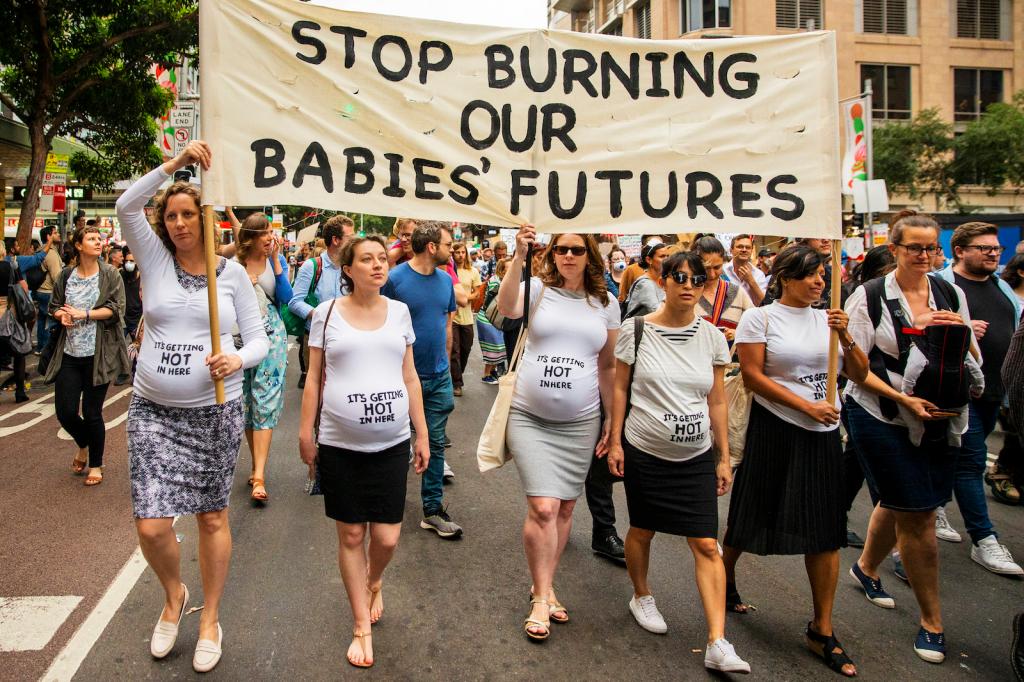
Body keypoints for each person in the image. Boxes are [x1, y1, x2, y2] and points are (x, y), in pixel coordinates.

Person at [115, 141, 269, 673]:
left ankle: (209, 619)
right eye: (171, 215)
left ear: (204, 218)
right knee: (153, 525)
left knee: (210, 517)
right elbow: (123, 207)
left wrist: (235, 360)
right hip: (153, 411)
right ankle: (174, 594)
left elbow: (260, 342)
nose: (179, 223)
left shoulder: (230, 277)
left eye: (188, 214)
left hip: (213, 413)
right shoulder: (153, 258)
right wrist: (174, 166)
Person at [723, 245, 868, 677]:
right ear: (785, 277)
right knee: (752, 512)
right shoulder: (761, 317)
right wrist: (806, 407)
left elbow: (858, 374)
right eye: (810, 275)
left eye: (823, 274)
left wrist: (847, 337)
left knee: (825, 529)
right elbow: (752, 376)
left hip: (822, 436)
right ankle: (724, 575)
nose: (820, 282)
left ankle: (821, 628)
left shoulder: (831, 320)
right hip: (775, 429)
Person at [607, 250, 750, 673]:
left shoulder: (711, 337)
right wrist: (614, 441)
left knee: (707, 543)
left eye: (697, 279)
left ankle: (717, 642)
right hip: (646, 450)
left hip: (695, 457)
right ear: (663, 281)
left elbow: (717, 400)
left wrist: (723, 457)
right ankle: (641, 595)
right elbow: (620, 389)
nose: (688, 286)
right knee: (642, 529)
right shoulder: (636, 330)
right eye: (680, 277)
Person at [843, 211, 976, 665]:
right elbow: (855, 370)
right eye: (914, 247)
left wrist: (956, 329)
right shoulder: (870, 296)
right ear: (894, 248)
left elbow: (969, 352)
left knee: (903, 501)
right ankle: (932, 622)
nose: (924, 255)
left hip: (941, 415)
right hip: (880, 414)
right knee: (919, 515)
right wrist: (905, 399)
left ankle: (864, 567)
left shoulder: (949, 291)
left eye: (930, 247)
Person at [299, 235, 429, 669]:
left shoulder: (400, 312)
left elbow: (410, 377)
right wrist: (305, 432)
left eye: (381, 259)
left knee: (388, 537)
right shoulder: (326, 313)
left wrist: (423, 433)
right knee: (352, 534)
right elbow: (314, 378)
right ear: (347, 269)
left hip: (391, 443)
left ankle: (374, 580)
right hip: (339, 445)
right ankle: (361, 626)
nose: (377, 265)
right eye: (366, 259)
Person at [497, 226, 619, 641]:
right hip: (529, 417)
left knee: (566, 508)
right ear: (552, 253)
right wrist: (518, 256)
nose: (568, 255)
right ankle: (541, 600)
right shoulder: (537, 291)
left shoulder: (606, 304)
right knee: (544, 507)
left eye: (576, 249)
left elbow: (608, 368)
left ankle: (544, 586)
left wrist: (611, 423)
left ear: (590, 256)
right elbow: (506, 307)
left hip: (581, 422)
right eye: (561, 248)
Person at [931, 222, 1023, 574]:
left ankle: (935, 504)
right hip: (959, 390)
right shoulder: (942, 286)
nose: (993, 253)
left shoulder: (1002, 287)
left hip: (997, 391)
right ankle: (985, 540)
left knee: (959, 457)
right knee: (971, 461)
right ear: (959, 251)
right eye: (984, 248)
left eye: (996, 248)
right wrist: (964, 329)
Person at [381, 221, 462, 538]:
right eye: (447, 244)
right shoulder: (395, 280)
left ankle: (432, 510)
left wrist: (446, 361)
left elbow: (446, 326)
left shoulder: (445, 281)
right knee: (397, 444)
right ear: (431, 247)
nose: (451, 249)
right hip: (399, 379)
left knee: (436, 444)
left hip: (438, 376)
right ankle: (386, 505)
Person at [44, 225, 130, 486]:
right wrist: (63, 315)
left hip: (98, 354)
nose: (98, 242)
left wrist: (85, 314)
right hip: (69, 353)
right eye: (91, 239)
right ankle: (83, 444)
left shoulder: (110, 274)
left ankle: (96, 463)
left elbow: (117, 310)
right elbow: (54, 306)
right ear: (79, 246)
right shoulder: (67, 275)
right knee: (65, 412)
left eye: (99, 239)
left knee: (92, 413)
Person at [235, 213, 294, 505]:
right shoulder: (234, 264)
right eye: (264, 234)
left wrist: (275, 263)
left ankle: (259, 474)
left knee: (266, 399)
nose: (270, 237)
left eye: (271, 232)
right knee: (247, 401)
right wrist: (245, 281)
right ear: (251, 237)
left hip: (272, 338)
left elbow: (286, 296)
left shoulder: (277, 261)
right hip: (241, 338)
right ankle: (256, 463)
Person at [289, 215, 354, 389]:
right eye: (350, 237)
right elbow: (295, 302)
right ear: (336, 240)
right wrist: (322, 315)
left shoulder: (352, 266)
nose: (354, 241)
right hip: (318, 338)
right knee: (317, 388)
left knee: (344, 388)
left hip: (347, 336)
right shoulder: (312, 266)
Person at [691, 236, 753, 344]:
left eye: (717, 267)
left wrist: (737, 333)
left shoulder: (737, 293)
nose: (711, 274)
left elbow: (756, 328)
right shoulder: (683, 292)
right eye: (706, 268)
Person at [0, 242, 30, 403]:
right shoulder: (12, 265)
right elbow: (23, 288)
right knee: (19, 353)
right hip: (10, 312)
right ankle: (20, 391)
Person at [450, 242, 481, 397]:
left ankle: (456, 374)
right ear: (453, 254)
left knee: (466, 348)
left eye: (463, 252)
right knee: (454, 350)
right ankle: (457, 384)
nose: (460, 255)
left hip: (467, 317)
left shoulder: (473, 271)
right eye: (457, 252)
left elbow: (477, 293)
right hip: (453, 316)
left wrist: (465, 298)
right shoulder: (449, 271)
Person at [475, 256, 508, 385]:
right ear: (502, 270)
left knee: (497, 346)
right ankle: (486, 375)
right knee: (494, 348)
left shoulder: (498, 280)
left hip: (491, 319)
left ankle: (492, 372)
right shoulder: (497, 282)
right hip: (488, 319)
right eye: (508, 268)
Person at [32, 225, 64, 354]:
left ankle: (41, 347)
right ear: (48, 237)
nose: (59, 235)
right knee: (49, 322)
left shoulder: (42, 250)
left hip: (40, 290)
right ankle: (45, 349)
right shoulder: (50, 253)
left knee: (42, 320)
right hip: (47, 292)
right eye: (55, 233)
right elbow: (57, 276)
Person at [116, 246, 143, 387]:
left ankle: (136, 374)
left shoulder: (143, 277)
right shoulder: (120, 275)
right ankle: (122, 374)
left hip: (137, 319)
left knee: (137, 349)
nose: (129, 264)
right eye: (127, 261)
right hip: (122, 318)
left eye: (132, 261)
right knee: (119, 347)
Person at [622, 242, 670, 319]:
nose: (667, 260)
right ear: (649, 260)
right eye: (662, 256)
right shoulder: (645, 284)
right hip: (641, 330)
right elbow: (658, 312)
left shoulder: (664, 280)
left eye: (668, 256)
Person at [724, 234, 769, 306]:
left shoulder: (759, 274)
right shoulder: (723, 271)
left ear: (751, 251)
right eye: (740, 247)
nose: (744, 250)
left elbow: (764, 303)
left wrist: (751, 281)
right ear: (731, 250)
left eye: (748, 247)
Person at [618, 235, 665, 304]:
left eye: (662, 245)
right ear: (643, 248)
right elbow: (622, 298)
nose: (660, 249)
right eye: (655, 246)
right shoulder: (631, 270)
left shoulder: (669, 272)